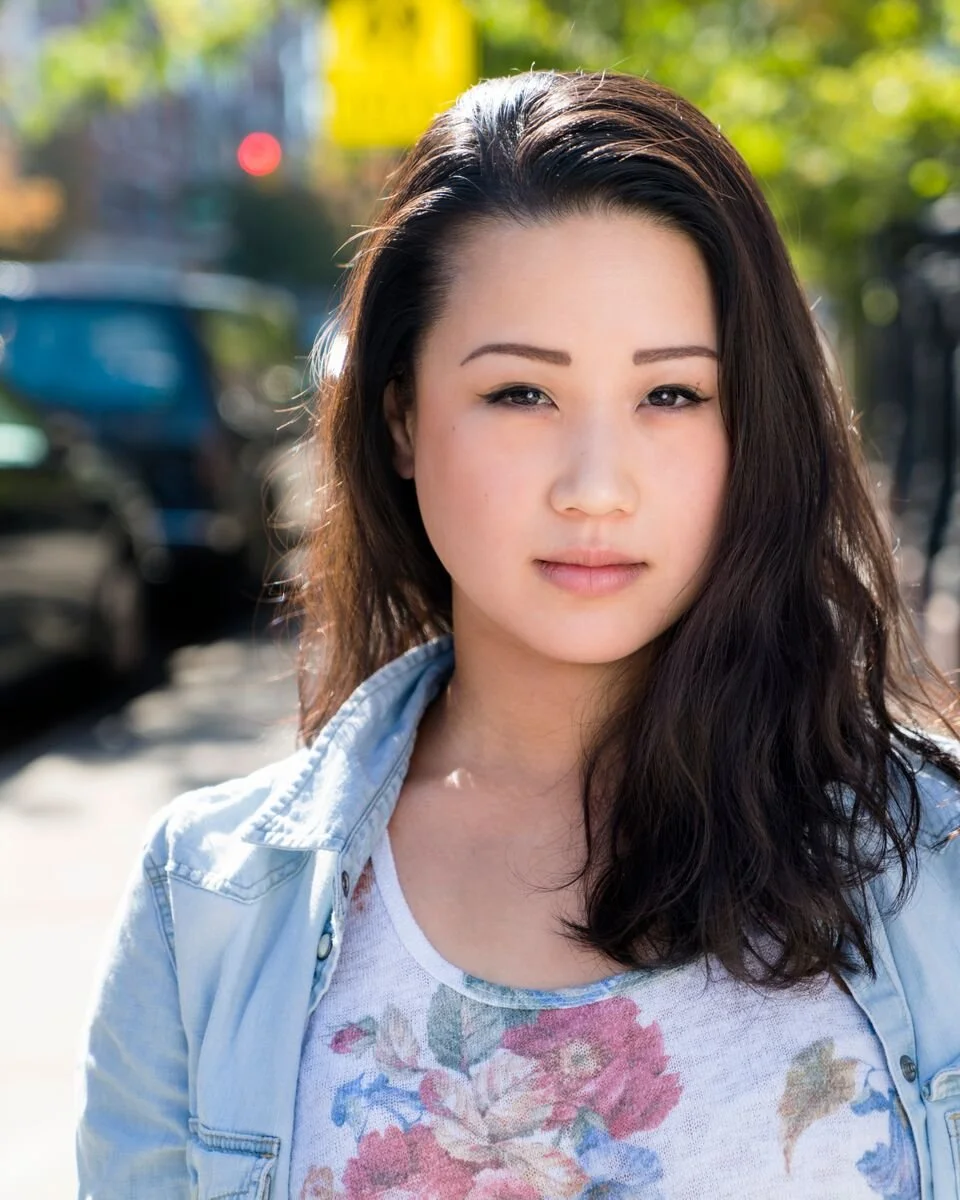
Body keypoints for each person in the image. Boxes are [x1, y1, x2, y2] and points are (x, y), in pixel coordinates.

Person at [76, 71, 960, 1200]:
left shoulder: (929, 868)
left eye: (673, 396)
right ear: (401, 419)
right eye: (521, 396)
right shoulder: (203, 908)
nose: (596, 489)